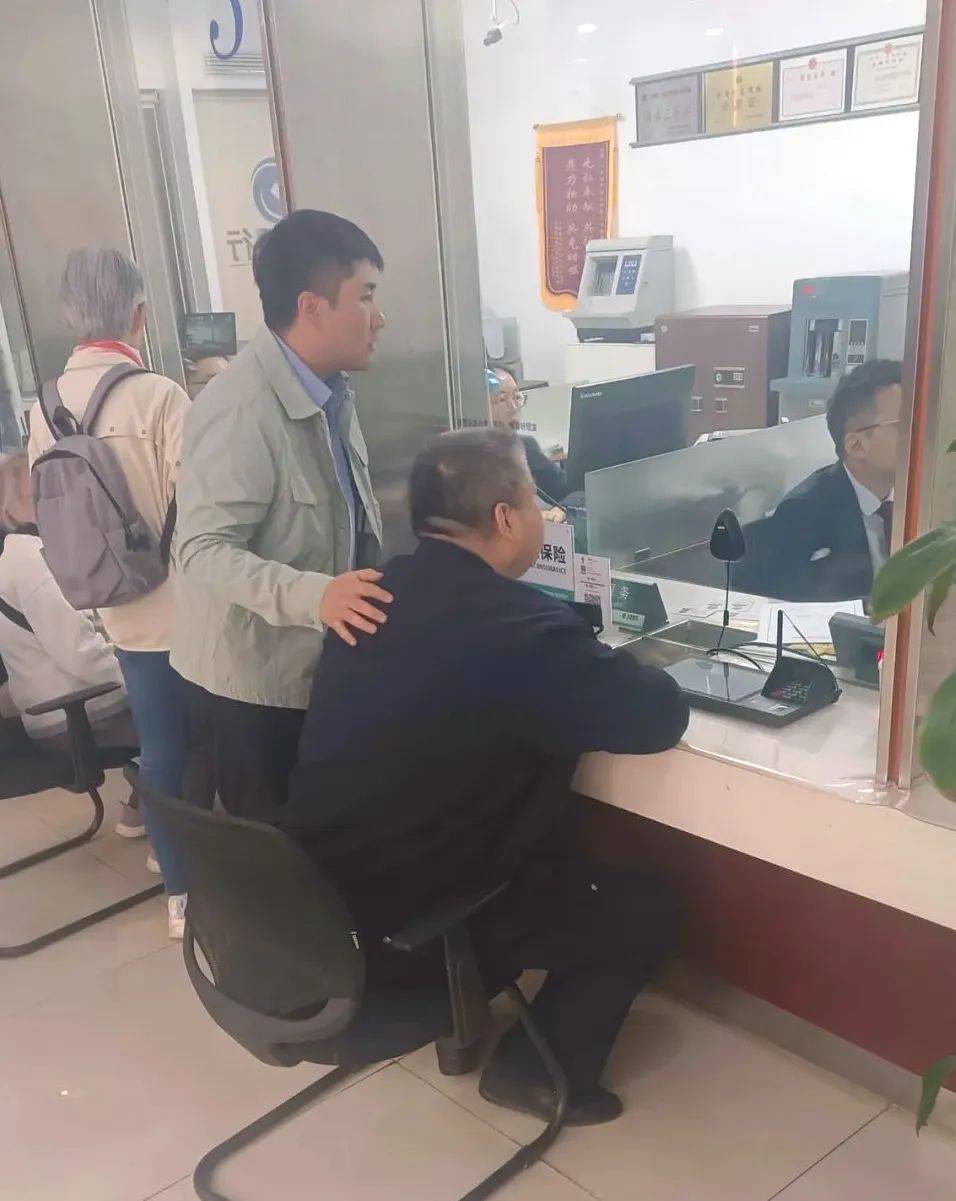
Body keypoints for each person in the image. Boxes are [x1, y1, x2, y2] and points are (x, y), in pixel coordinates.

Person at [283, 428, 689, 1126]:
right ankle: (534, 1074)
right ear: (505, 518)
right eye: (535, 502)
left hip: (309, 910)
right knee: (640, 908)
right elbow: (656, 716)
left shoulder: (372, 594)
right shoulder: (518, 630)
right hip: (400, 941)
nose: (542, 516)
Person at [172, 210, 388, 823]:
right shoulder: (241, 409)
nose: (380, 317)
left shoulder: (331, 392)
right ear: (311, 307)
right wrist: (317, 596)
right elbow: (201, 551)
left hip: (313, 669)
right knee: (276, 858)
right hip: (250, 692)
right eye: (365, 296)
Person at [27, 248, 191, 936]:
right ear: (139, 314)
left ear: (70, 314)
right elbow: (201, 507)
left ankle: (176, 879)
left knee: (161, 741)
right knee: (202, 745)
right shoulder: (159, 395)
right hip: (182, 607)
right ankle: (198, 881)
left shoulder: (44, 406)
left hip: (111, 604)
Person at [742, 359, 902, 602]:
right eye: (903, 425)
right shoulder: (803, 515)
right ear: (857, 446)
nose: (921, 433)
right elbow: (788, 609)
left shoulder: (923, 498)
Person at [488, 366, 568, 503]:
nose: (513, 407)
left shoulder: (523, 447)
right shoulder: (458, 460)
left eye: (516, 397)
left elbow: (572, 490)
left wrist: (561, 510)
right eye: (503, 399)